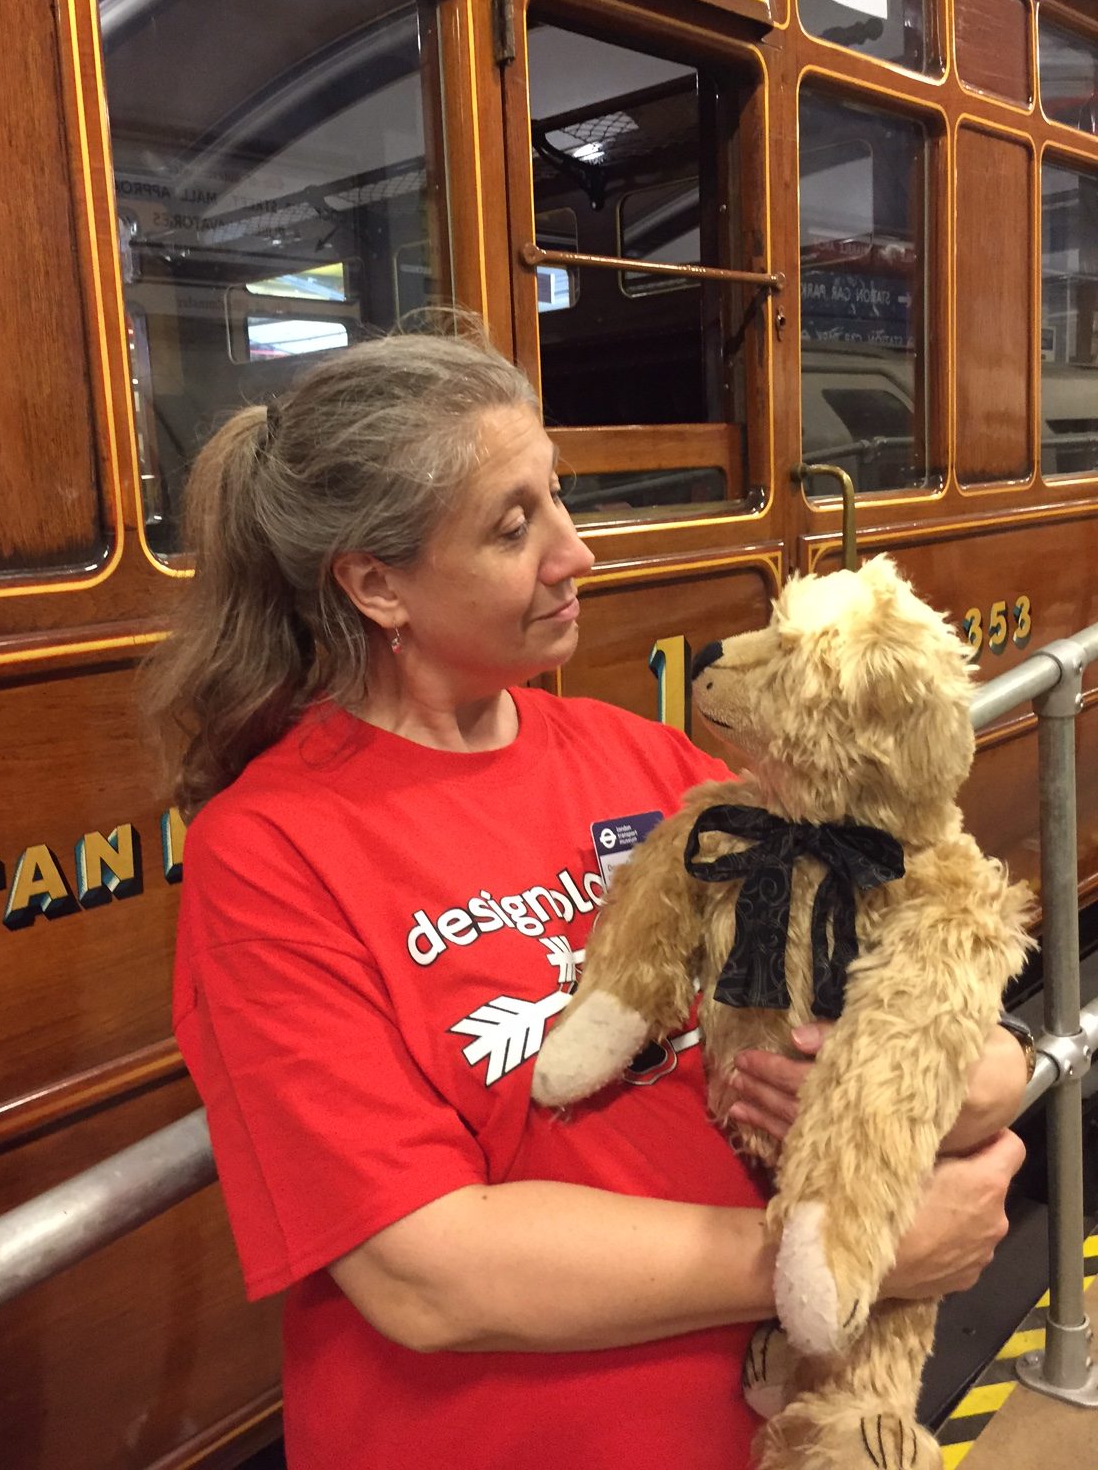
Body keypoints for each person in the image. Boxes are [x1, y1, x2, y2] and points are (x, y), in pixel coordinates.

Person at [153, 328, 1029, 1470]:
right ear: (375, 584)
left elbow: (916, 969)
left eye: (558, 498)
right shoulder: (271, 854)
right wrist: (848, 1254)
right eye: (514, 527)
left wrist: (963, 1093)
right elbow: (427, 1271)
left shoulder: (644, 761)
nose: (577, 553)